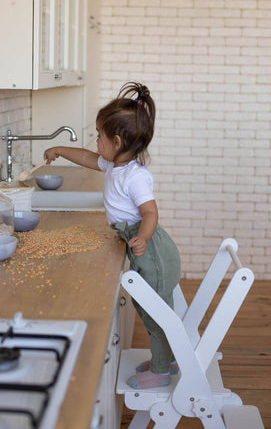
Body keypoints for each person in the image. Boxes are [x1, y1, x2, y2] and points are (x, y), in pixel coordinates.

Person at [44, 82, 181, 389]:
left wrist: (142, 238)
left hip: (151, 250)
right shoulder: (115, 165)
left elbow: (150, 213)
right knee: (154, 309)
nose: (96, 141)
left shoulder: (133, 176)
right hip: (140, 243)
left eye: (98, 135)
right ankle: (167, 359)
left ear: (117, 141)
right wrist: (58, 150)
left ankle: (160, 371)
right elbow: (86, 158)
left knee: (154, 312)